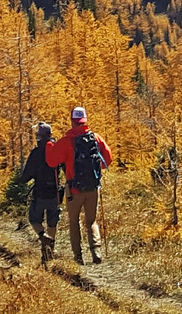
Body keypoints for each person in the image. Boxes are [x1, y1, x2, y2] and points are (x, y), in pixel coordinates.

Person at [45, 105, 114, 264]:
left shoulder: (67, 141)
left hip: (74, 190)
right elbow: (108, 159)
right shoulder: (95, 138)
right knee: (91, 221)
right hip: (93, 188)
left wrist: (49, 146)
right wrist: (95, 169)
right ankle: (96, 251)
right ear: (85, 121)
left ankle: (78, 256)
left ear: (72, 121)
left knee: (74, 221)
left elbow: (51, 161)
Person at [20, 121, 62, 262]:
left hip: (39, 193)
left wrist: (21, 180)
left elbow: (27, 176)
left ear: (39, 136)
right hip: (55, 193)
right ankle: (49, 252)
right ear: (50, 135)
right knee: (52, 223)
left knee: (34, 219)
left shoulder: (36, 153)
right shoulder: (56, 150)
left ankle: (43, 236)